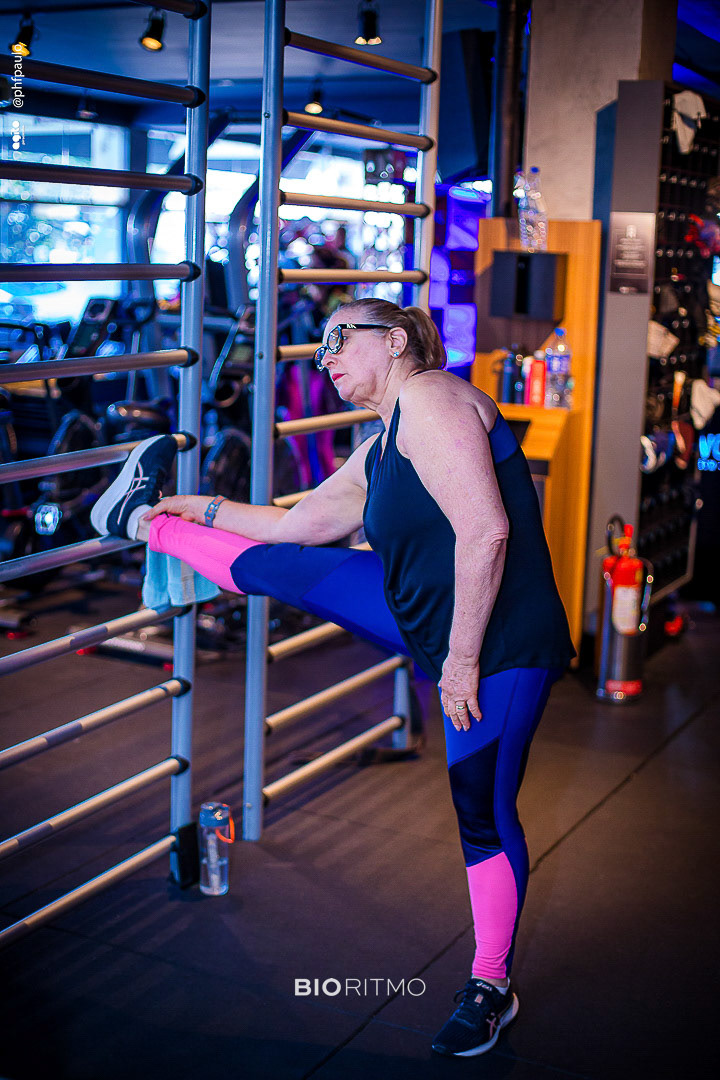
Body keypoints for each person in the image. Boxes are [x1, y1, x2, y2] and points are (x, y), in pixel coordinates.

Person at [91, 299, 576, 1058]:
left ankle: (490, 986)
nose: (325, 360)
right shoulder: (381, 445)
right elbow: (295, 525)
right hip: (421, 613)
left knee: (480, 810)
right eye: (319, 349)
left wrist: (460, 662)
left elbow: (487, 531)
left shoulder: (433, 398)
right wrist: (184, 505)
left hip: (499, 645)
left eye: (338, 340)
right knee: (283, 565)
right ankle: (141, 518)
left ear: (395, 341)